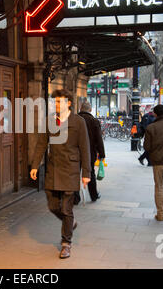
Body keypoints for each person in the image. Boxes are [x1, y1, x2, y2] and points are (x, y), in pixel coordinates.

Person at [30, 89, 91, 259]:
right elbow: (41, 144)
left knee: (66, 208)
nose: (56, 105)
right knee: (53, 206)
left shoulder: (78, 122)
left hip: (70, 170)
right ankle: (71, 222)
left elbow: (85, 149)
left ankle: (66, 244)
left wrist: (86, 173)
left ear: (69, 103)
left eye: (59, 102)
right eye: (54, 102)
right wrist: (35, 165)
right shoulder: (50, 121)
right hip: (53, 169)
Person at [78, 102, 105, 202]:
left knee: (75, 173)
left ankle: (75, 198)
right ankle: (93, 195)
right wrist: (101, 154)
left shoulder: (75, 120)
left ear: (80, 108)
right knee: (90, 172)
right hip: (90, 152)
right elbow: (99, 139)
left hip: (76, 152)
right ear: (90, 110)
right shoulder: (94, 121)